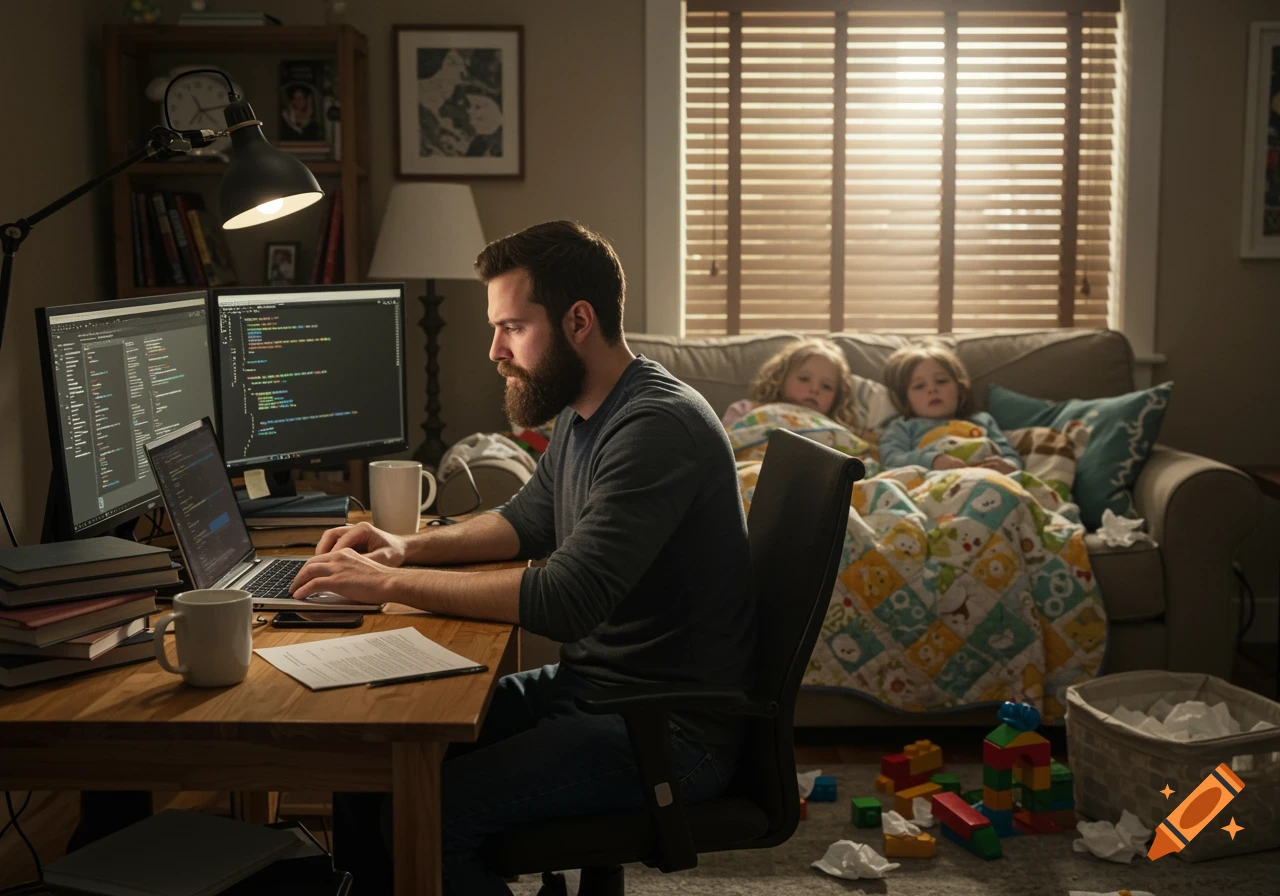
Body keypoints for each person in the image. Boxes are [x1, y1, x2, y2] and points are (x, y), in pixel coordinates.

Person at [291, 220, 756, 896]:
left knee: (431, 815)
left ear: (577, 321)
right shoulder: (587, 409)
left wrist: (389, 582)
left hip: (667, 731)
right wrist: (403, 546)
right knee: (373, 765)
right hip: (597, 693)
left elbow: (566, 599)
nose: (495, 350)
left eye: (511, 327)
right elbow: (525, 520)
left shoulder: (655, 427)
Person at [877, 341, 1022, 473]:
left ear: (959, 388)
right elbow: (891, 460)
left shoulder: (982, 420)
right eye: (919, 386)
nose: (932, 390)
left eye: (941, 381)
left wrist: (1008, 465)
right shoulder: (903, 427)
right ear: (905, 398)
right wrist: (933, 460)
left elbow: (1009, 454)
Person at [721, 337, 859, 429]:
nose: (815, 389)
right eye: (804, 379)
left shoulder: (835, 429)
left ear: (837, 397)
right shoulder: (746, 410)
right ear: (780, 379)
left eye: (826, 386)